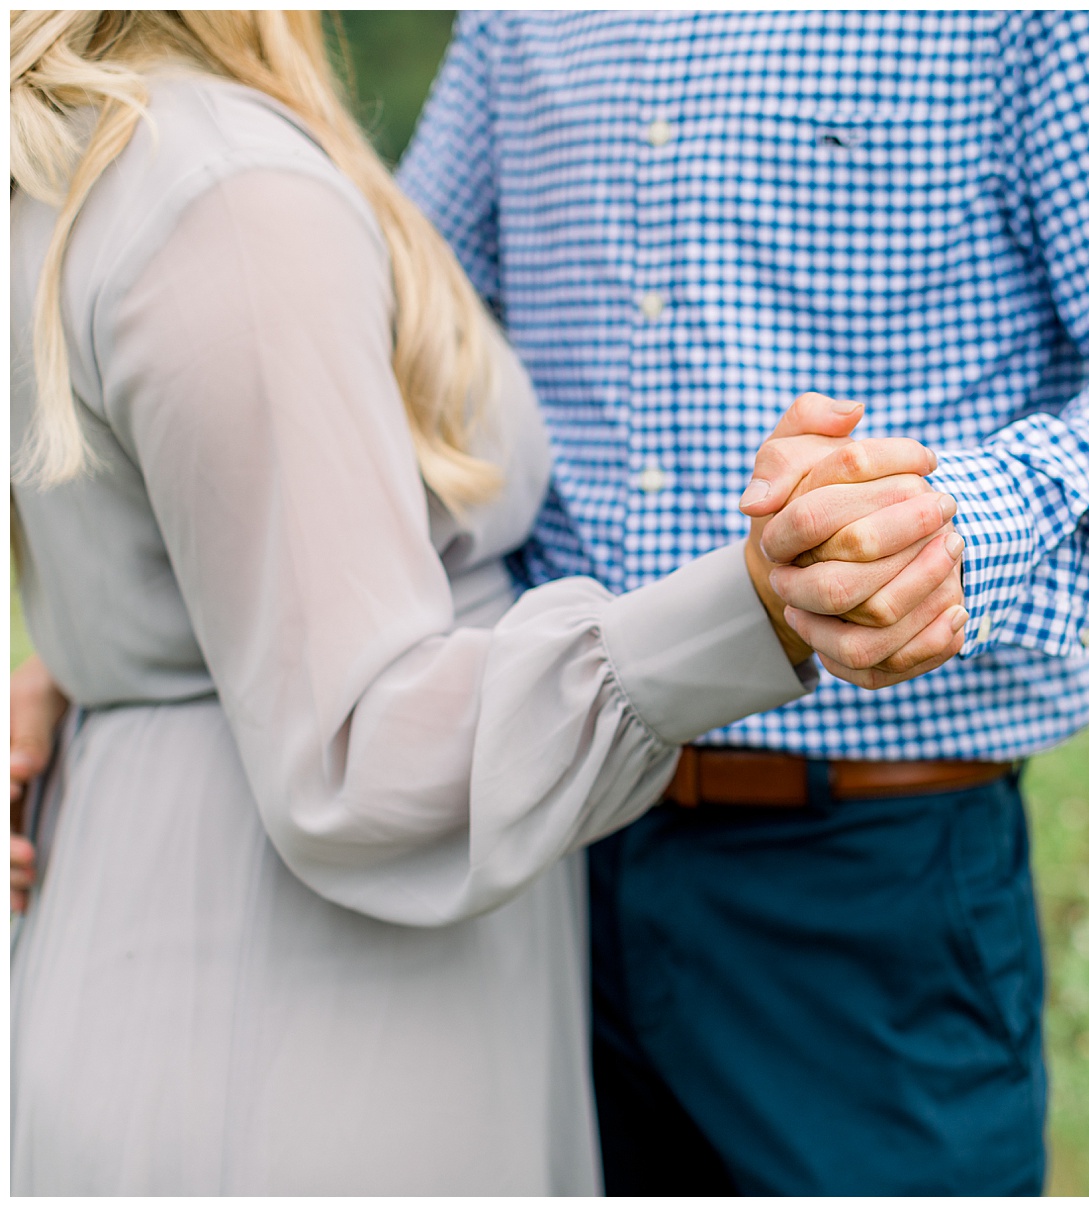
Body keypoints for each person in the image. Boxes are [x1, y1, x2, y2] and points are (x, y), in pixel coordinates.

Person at [7, 11, 965, 1195]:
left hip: (156, 923)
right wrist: (753, 608)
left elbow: (183, 526)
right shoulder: (231, 193)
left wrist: (92, 657)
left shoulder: (77, 150)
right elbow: (351, 743)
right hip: (311, 1021)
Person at [396, 10, 1089, 1195]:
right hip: (537, 862)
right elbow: (387, 340)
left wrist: (956, 526)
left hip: (867, 900)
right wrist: (106, 661)